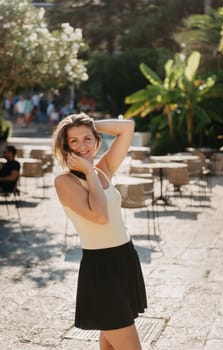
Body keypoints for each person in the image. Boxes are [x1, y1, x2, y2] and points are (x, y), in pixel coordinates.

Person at [53, 113, 147, 350]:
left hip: (125, 259)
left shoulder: (103, 169)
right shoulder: (65, 182)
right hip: (101, 268)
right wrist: (88, 172)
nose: (82, 145)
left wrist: (89, 124)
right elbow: (100, 216)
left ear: (96, 140)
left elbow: (127, 127)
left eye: (87, 138)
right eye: (73, 141)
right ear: (65, 146)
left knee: (111, 345)